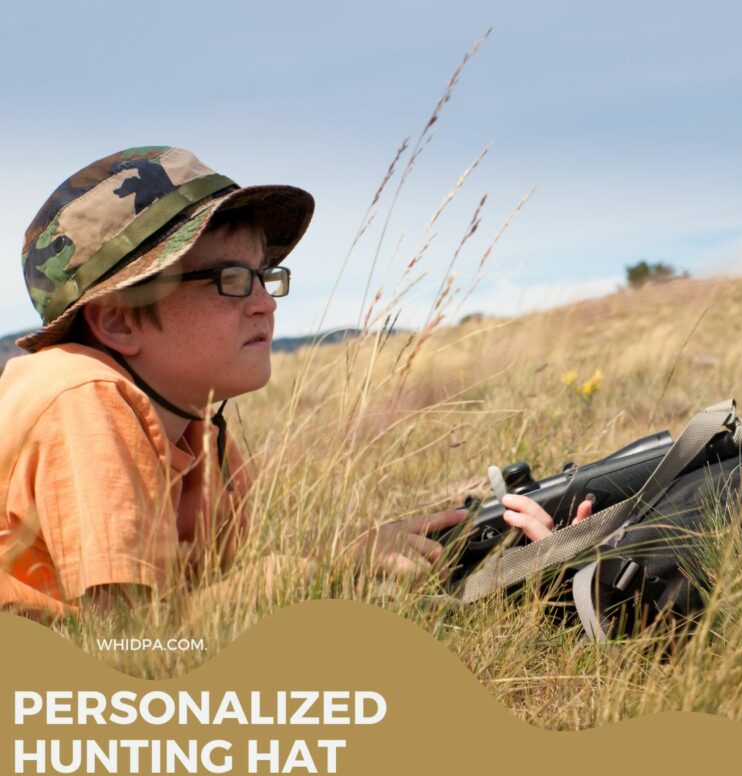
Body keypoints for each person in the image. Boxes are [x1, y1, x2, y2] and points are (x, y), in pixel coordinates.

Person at [0, 146, 587, 618]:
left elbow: (215, 603)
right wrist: (319, 567)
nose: (265, 304)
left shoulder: (199, 427)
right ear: (119, 320)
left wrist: (467, 544)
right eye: (231, 280)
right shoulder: (82, 397)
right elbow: (129, 649)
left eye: (265, 276)